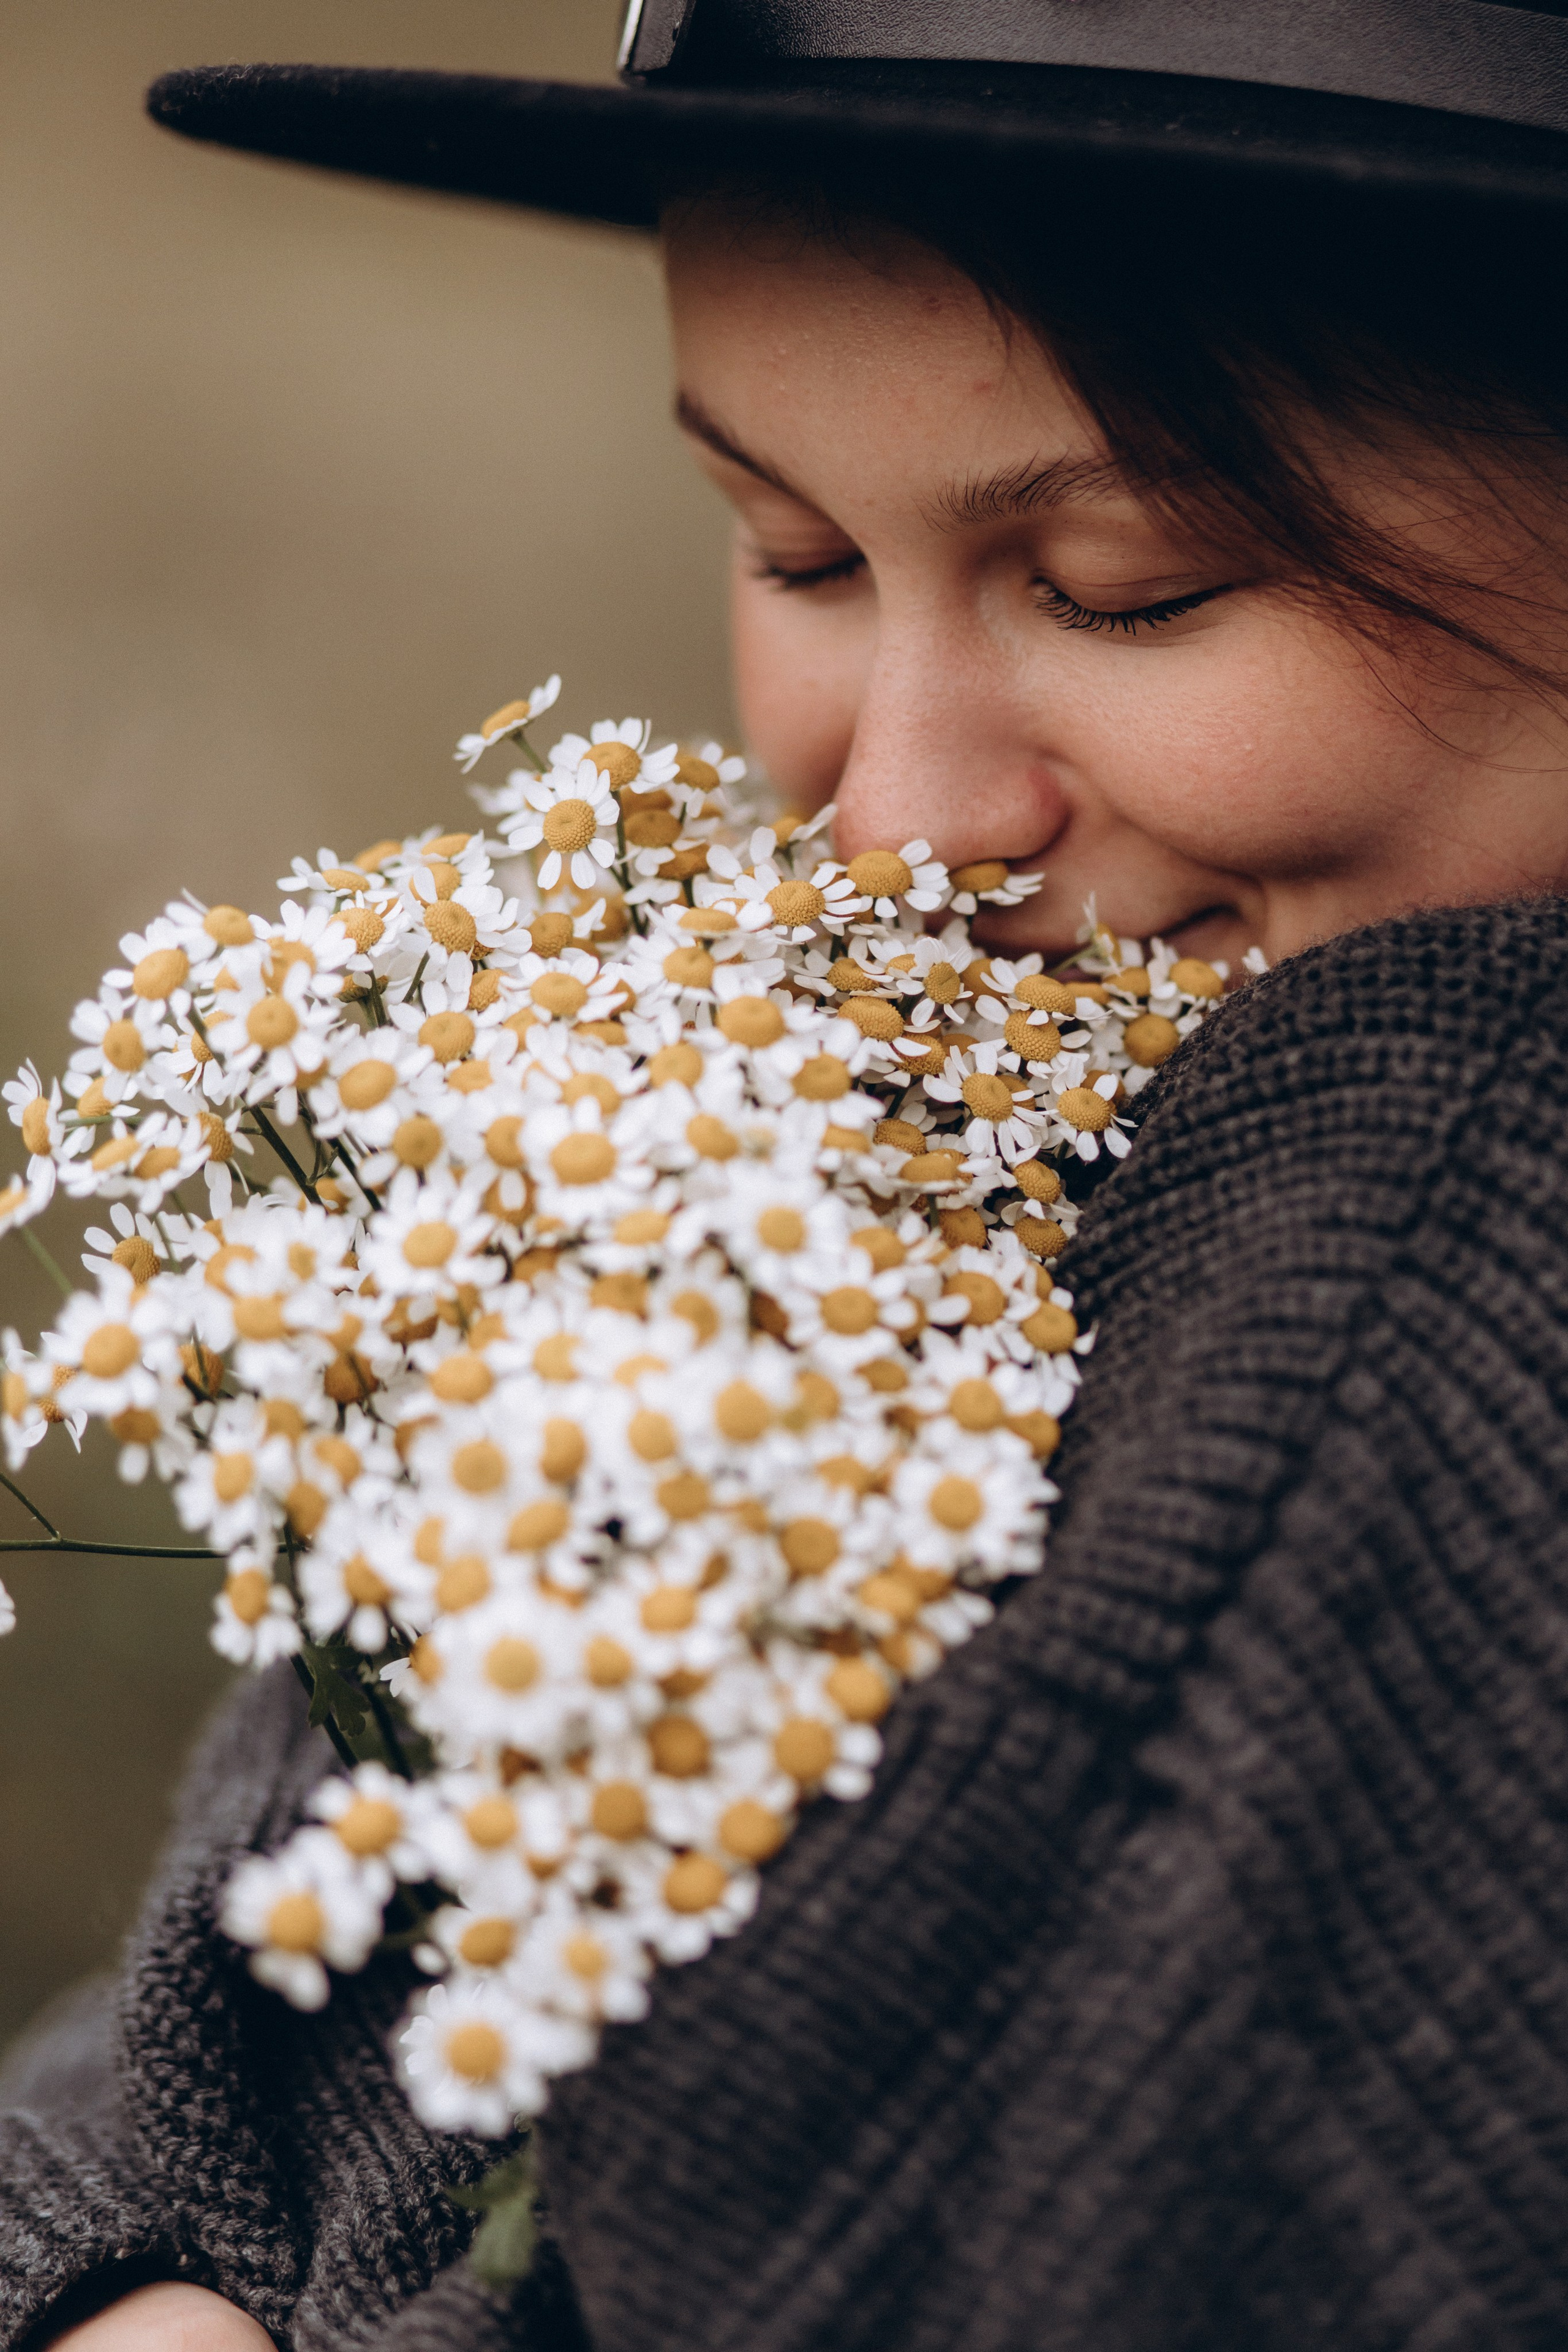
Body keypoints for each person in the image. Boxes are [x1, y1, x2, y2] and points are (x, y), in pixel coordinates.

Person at [9, 4, 1568, 2345]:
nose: (895, 827)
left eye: (1130, 585)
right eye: (797, 550)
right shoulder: (804, 1143)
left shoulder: (1448, 1173)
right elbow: (199, 2021)